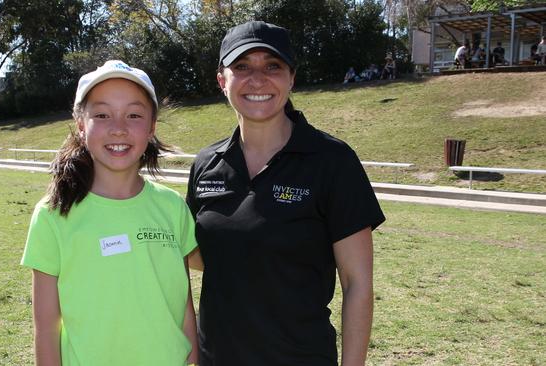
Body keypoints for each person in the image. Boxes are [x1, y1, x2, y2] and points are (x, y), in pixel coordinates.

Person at [186, 20, 385, 366]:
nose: (257, 79)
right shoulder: (206, 164)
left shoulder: (332, 161)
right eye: (242, 67)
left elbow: (357, 284)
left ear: (291, 78)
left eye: (273, 66)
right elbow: (200, 257)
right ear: (222, 80)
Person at [21, 60, 199, 365]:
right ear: (80, 124)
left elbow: (183, 305)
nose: (118, 128)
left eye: (134, 115)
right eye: (102, 115)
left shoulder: (173, 208)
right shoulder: (52, 215)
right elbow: (46, 329)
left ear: (152, 126)